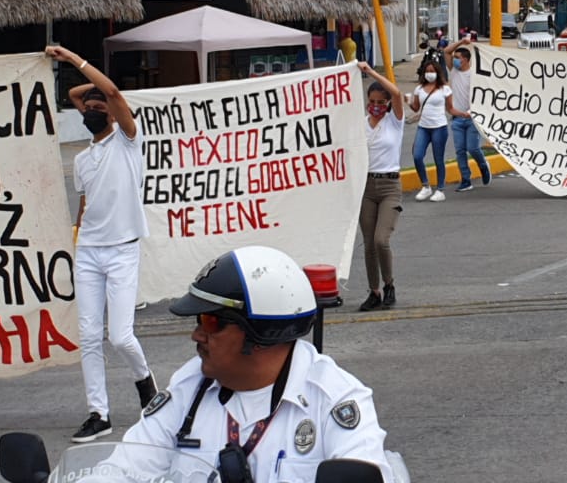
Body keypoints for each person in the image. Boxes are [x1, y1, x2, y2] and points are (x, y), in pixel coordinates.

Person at [120, 246, 395, 482]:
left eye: (211, 322)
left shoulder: (334, 400)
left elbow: (362, 468)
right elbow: (122, 468)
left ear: (261, 334)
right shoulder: (188, 389)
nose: (197, 334)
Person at [45, 45, 157, 444]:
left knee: (119, 336)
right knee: (89, 336)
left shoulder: (127, 142)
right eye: (86, 108)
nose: (89, 109)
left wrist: (74, 60)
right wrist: (77, 237)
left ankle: (145, 383)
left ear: (110, 112)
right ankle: (100, 413)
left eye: (98, 106)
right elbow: (86, 203)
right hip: (89, 251)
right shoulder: (83, 159)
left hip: (123, 249)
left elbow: (112, 95)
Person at [358, 62, 404, 312]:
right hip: (367, 186)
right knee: (368, 243)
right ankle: (374, 290)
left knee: (380, 240)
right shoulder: (361, 124)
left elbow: (397, 94)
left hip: (389, 186)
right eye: (371, 100)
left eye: (380, 101)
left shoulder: (394, 122)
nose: (375, 106)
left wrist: (371, 72)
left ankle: (389, 285)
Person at [444, 40, 492, 192]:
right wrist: (461, 42)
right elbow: (446, 51)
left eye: (458, 57)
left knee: (473, 148)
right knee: (460, 150)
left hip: (472, 118)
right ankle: (466, 179)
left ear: (466, 59)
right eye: (455, 57)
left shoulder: (474, 75)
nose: (455, 59)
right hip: (457, 118)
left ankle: (483, 166)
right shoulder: (454, 71)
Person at [409, 59, 458, 202]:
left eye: (432, 71)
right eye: (427, 71)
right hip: (423, 127)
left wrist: (464, 114)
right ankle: (425, 186)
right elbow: (416, 108)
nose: (430, 73)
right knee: (417, 156)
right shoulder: (419, 89)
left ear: (438, 72)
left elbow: (450, 108)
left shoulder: (445, 89)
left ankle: (440, 189)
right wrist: (409, 102)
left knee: (438, 159)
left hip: (439, 127)